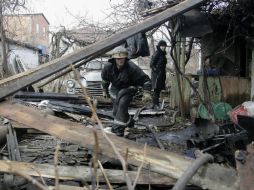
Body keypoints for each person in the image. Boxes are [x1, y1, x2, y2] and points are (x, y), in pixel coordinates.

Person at [101, 46, 152, 136]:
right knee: (116, 111)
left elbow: (146, 80)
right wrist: (104, 90)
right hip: (115, 88)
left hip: (129, 88)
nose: (120, 60)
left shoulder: (132, 67)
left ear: (126, 58)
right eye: (118, 58)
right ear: (114, 59)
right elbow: (105, 80)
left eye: (122, 58)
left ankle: (118, 130)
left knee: (122, 105)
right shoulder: (108, 67)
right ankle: (129, 121)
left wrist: (147, 92)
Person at [150, 40, 167, 110]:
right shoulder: (157, 53)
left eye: (164, 46)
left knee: (159, 90)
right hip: (156, 75)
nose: (163, 47)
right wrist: (156, 71)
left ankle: (155, 104)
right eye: (162, 46)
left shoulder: (163, 54)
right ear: (159, 46)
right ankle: (155, 104)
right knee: (156, 90)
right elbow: (151, 64)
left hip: (162, 74)